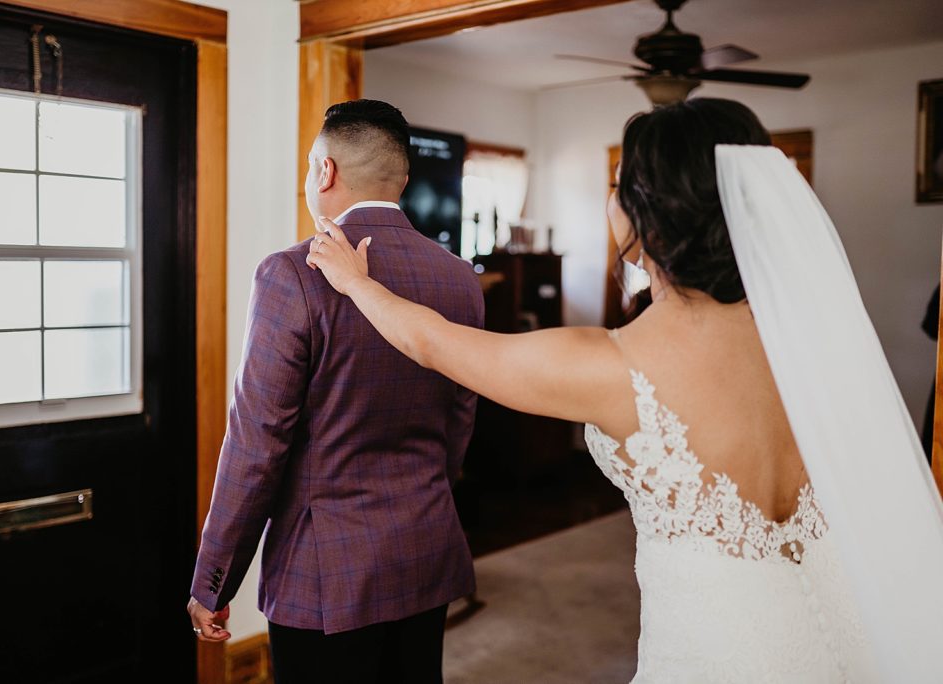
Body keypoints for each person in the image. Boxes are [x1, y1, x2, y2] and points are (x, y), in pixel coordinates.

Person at [307, 98, 943, 682]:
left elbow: (435, 344)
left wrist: (357, 284)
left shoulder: (615, 363)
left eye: (617, 188)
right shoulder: (815, 342)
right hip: (836, 641)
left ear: (643, 213)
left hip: (714, 654)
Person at [187, 99, 484, 683]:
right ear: (401, 177)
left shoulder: (292, 274)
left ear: (324, 172)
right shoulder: (458, 277)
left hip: (326, 570)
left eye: (308, 165)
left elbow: (256, 445)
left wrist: (213, 578)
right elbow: (459, 423)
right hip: (425, 546)